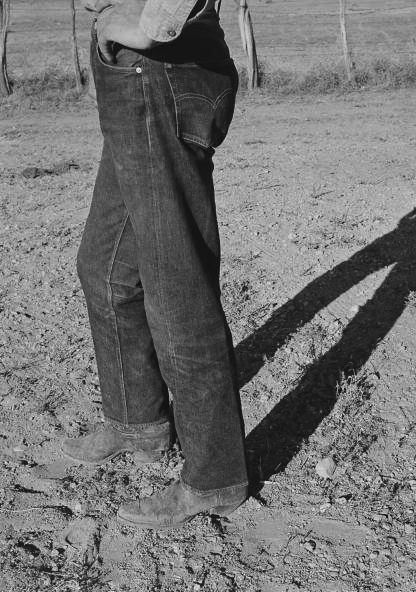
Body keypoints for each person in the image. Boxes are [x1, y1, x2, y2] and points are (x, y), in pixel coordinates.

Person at [63, 0, 249, 529]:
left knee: (177, 290)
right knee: (105, 268)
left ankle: (215, 478)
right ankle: (137, 422)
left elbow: (163, 23)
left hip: (163, 73)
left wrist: (134, 28)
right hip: (138, 78)